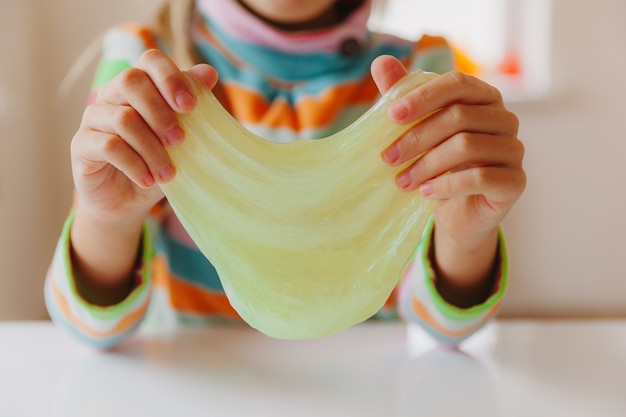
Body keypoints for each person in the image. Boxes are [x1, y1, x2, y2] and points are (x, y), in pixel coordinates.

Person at [45, 0, 526, 349]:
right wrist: (107, 219)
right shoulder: (144, 70)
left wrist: (463, 237)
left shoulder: (419, 76)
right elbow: (90, 329)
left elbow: (446, 331)